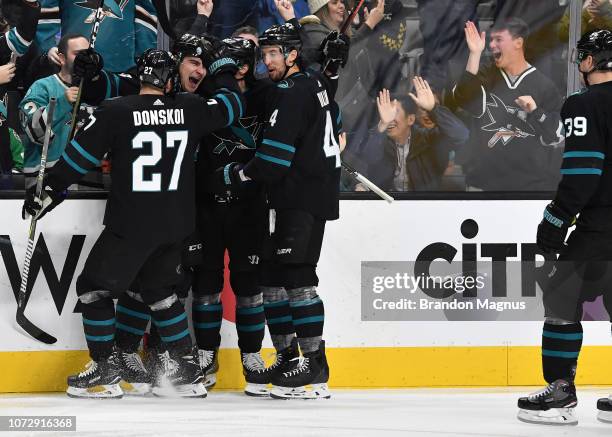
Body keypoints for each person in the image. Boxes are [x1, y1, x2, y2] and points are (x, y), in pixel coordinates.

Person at [22, 47, 244, 399]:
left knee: (93, 287)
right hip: (176, 224)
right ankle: (187, 371)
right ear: (170, 80)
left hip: (133, 222)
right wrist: (224, 69)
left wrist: (47, 188)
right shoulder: (190, 109)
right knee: (160, 292)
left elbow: (77, 159)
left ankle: (105, 371)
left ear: (139, 78)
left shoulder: (116, 111)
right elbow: (233, 105)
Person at [215, 22, 349, 399]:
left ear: (292, 55)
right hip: (298, 194)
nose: (267, 61)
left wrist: (234, 173)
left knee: (298, 277)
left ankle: (314, 366)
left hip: (302, 196)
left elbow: (272, 161)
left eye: (274, 54)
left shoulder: (291, 93)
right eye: (266, 53)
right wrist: (332, 67)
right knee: (273, 278)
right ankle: (290, 356)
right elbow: (322, 89)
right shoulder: (313, 82)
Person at [516, 29, 612, 426]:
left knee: (560, 298)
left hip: (600, 225)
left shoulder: (583, 104)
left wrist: (555, 221)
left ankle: (559, 393)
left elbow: (582, 175)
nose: (580, 63)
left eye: (584, 56)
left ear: (592, 61)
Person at [450, 18, 565, 191]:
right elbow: (464, 99)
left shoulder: (544, 86)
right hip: (482, 184)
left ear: (518, 42)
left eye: (498, 39)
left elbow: (556, 136)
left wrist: (535, 111)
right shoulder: (484, 74)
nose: (491, 45)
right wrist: (474, 54)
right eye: (490, 40)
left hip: (528, 187)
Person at [359, 79, 469, 191]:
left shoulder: (429, 140)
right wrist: (382, 126)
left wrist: (433, 109)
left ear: (411, 119)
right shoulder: (379, 141)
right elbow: (368, 157)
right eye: (387, 112)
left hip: (423, 205)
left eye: (395, 112)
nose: (389, 118)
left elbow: (461, 135)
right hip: (388, 205)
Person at [20, 33, 97, 189]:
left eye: (88, 54)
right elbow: (33, 131)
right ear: (61, 58)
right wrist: (62, 103)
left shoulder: (96, 90)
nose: (84, 59)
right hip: (44, 180)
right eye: (77, 54)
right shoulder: (41, 87)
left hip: (86, 180)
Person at [37, 0, 157, 73]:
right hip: (73, 66)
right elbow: (47, 13)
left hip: (121, 68)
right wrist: (49, 47)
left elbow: (146, 19)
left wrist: (143, 60)